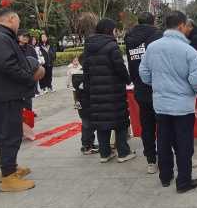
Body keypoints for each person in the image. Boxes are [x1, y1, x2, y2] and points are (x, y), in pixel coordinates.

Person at [139, 11, 197, 193]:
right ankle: (183, 181)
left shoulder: (152, 48)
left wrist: (159, 84)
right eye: (186, 26)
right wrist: (189, 89)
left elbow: (144, 74)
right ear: (181, 26)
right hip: (183, 108)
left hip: (161, 105)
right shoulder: (188, 51)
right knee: (184, 145)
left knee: (163, 141)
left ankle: (165, 177)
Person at [0, 9, 43, 192]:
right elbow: (7, 65)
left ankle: (10, 168)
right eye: (18, 21)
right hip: (4, 95)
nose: (19, 26)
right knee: (8, 135)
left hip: (6, 94)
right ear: (10, 19)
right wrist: (29, 77)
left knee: (10, 133)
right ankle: (8, 177)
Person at [83, 18, 135, 164]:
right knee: (120, 122)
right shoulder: (111, 46)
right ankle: (123, 152)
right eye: (114, 29)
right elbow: (120, 67)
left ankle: (105, 154)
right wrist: (128, 80)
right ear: (109, 30)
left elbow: (85, 70)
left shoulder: (88, 46)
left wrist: (89, 90)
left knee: (102, 122)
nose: (115, 32)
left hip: (95, 92)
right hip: (113, 91)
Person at [125, 12, 163, 173]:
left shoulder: (129, 38)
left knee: (146, 125)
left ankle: (150, 160)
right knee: (163, 125)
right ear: (153, 21)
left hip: (140, 88)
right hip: (158, 87)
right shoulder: (157, 35)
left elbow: (131, 63)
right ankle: (164, 157)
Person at [68, 54, 98, 155]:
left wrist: (76, 103)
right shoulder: (82, 76)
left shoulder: (78, 75)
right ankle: (86, 146)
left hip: (82, 104)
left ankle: (90, 144)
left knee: (88, 124)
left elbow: (75, 92)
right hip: (86, 104)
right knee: (87, 125)